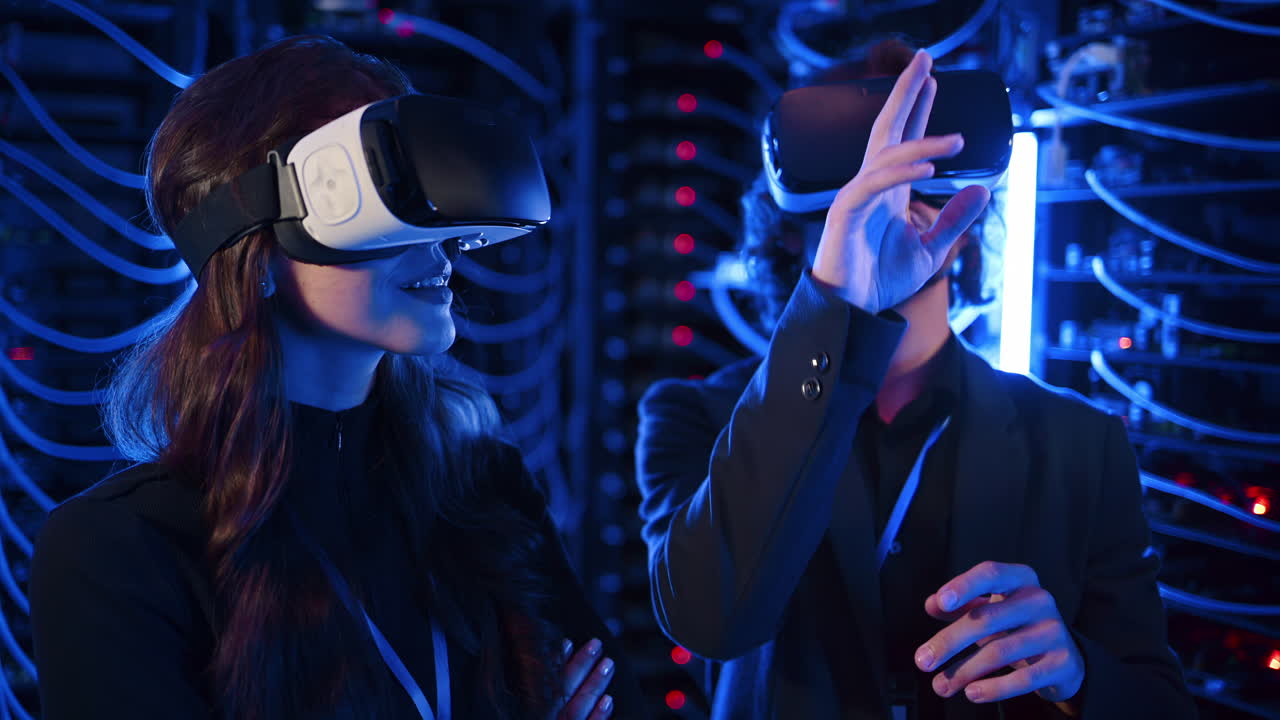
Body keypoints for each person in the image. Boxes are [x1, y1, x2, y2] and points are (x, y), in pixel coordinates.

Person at [30, 35, 639, 720]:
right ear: (253, 243)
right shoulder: (118, 552)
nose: (435, 242)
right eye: (387, 193)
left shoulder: (485, 492)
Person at [635, 41, 1196, 719]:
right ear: (788, 228)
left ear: (969, 217)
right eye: (866, 170)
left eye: (920, 163)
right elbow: (706, 620)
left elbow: (1161, 704)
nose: (896, 196)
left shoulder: (1080, 441)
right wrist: (837, 297)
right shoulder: (695, 415)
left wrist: (1076, 671)